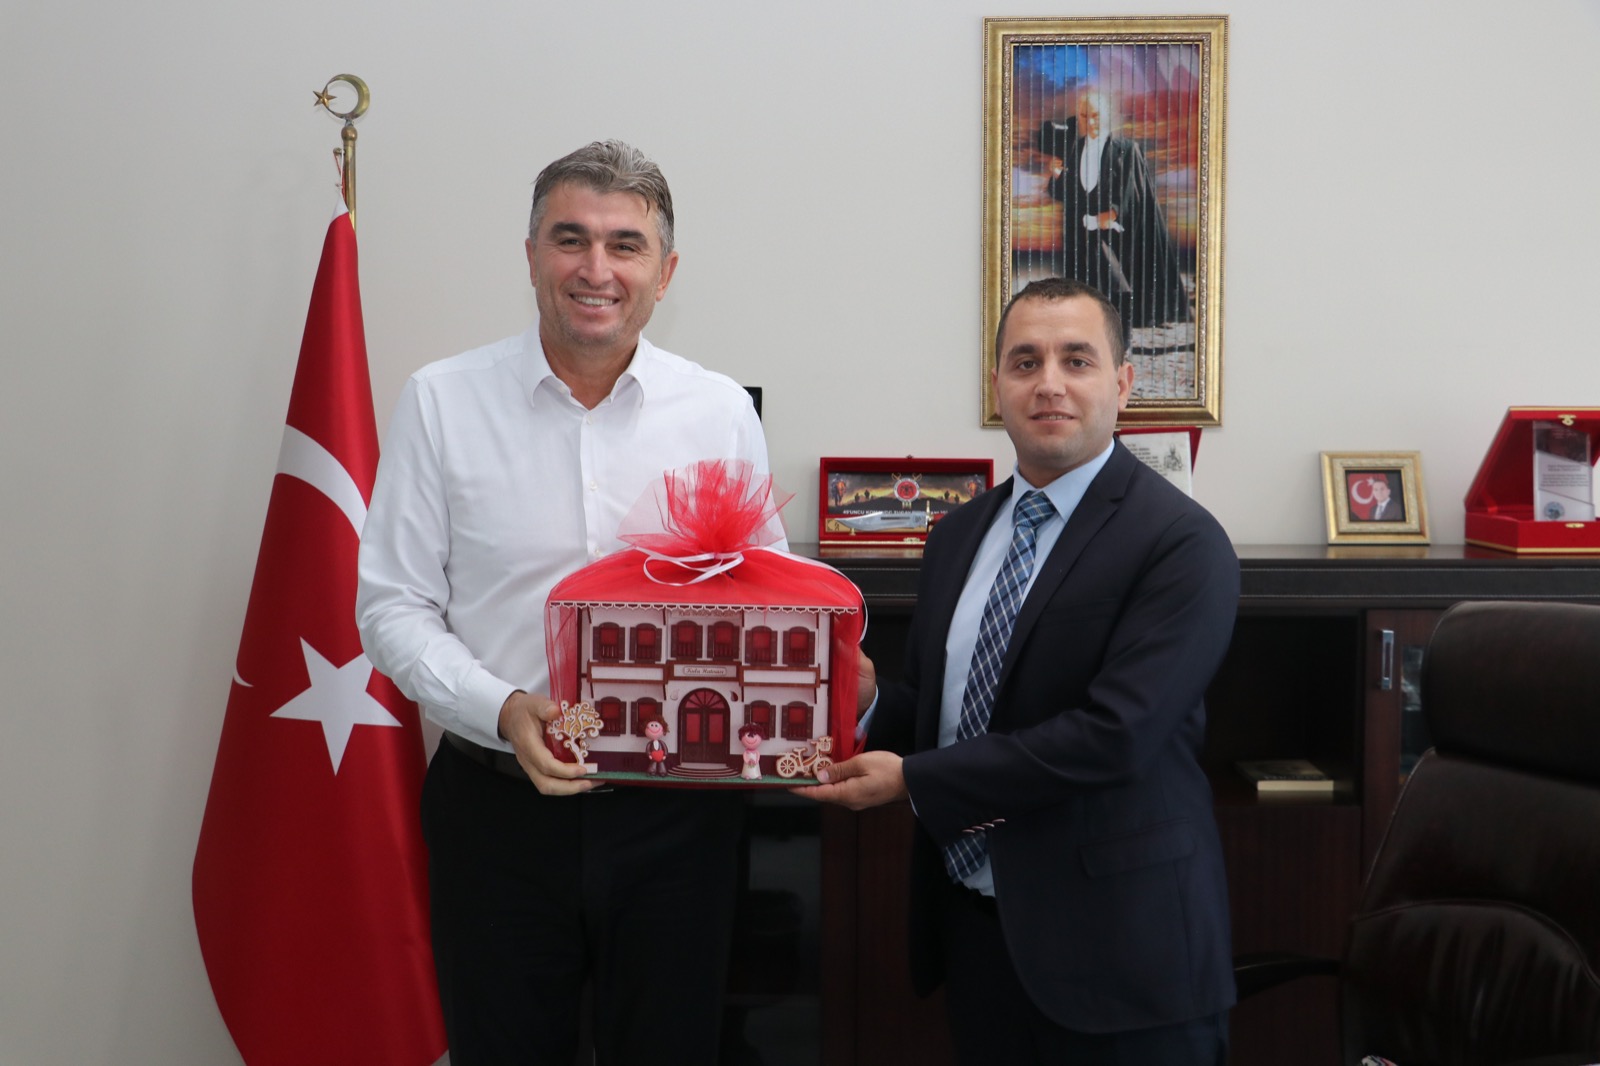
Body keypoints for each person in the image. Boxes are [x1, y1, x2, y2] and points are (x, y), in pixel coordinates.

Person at [356, 140, 773, 1065]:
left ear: (665, 272)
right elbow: (392, 608)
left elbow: (763, 598)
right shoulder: (440, 402)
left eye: (626, 245)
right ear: (532, 254)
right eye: (571, 238)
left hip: (678, 818)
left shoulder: (717, 412)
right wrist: (505, 709)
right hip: (495, 812)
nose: (596, 269)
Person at [797, 276, 1239, 1064]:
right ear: (997, 384)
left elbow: (1116, 735)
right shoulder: (958, 534)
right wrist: (868, 703)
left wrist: (913, 782)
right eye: (1025, 361)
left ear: (1122, 384)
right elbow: (949, 711)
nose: (1050, 384)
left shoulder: (1180, 541)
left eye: (1077, 360)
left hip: (1121, 954)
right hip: (980, 936)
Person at [1036, 91, 1191, 330]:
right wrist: (1056, 176)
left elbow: (1130, 195)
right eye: (1084, 116)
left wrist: (1103, 218)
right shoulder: (1075, 149)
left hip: (1120, 235)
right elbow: (1067, 194)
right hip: (1088, 237)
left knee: (1120, 290)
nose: (1090, 122)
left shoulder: (1126, 149)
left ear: (1106, 116)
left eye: (1095, 116)